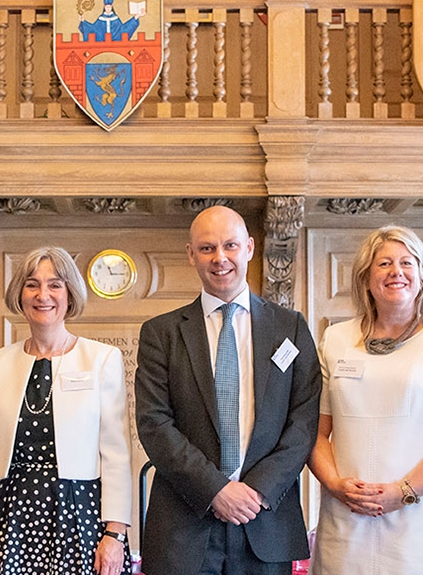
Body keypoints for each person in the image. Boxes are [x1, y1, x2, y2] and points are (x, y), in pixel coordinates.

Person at [135, 205, 321, 574]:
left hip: (264, 520)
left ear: (249, 248)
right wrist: (216, 490)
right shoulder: (161, 333)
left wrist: (256, 492)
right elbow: (155, 424)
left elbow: (304, 420)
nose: (220, 258)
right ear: (191, 255)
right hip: (183, 526)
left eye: (230, 246)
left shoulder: (291, 327)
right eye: (207, 248)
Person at [308, 225, 423, 574]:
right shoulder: (335, 339)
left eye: (408, 263)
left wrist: (404, 491)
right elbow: (314, 432)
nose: (397, 272)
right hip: (348, 525)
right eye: (384, 264)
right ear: (365, 278)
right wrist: (335, 485)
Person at [0, 246, 132, 575]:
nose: (43, 294)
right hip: (10, 515)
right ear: (20, 294)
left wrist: (115, 533)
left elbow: (116, 453)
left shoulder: (101, 359)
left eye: (55, 284)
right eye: (32, 284)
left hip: (81, 516)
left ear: (70, 294)